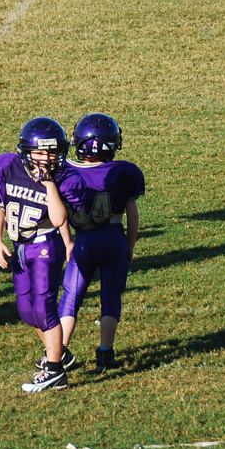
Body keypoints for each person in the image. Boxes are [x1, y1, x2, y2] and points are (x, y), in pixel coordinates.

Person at [0, 118, 75, 392]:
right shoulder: (5, 167)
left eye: (52, 152)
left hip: (46, 243)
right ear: (26, 151)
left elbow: (59, 219)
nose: (47, 158)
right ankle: (58, 351)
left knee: (44, 307)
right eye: (41, 152)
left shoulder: (64, 177)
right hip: (21, 247)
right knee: (26, 311)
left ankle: (55, 369)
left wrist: (49, 185)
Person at [58, 114, 143, 374]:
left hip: (83, 240)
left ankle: (58, 351)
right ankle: (105, 353)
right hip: (114, 236)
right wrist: (130, 246)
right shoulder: (124, 171)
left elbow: (58, 212)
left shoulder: (64, 172)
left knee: (71, 297)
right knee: (110, 297)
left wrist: (67, 241)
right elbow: (133, 213)